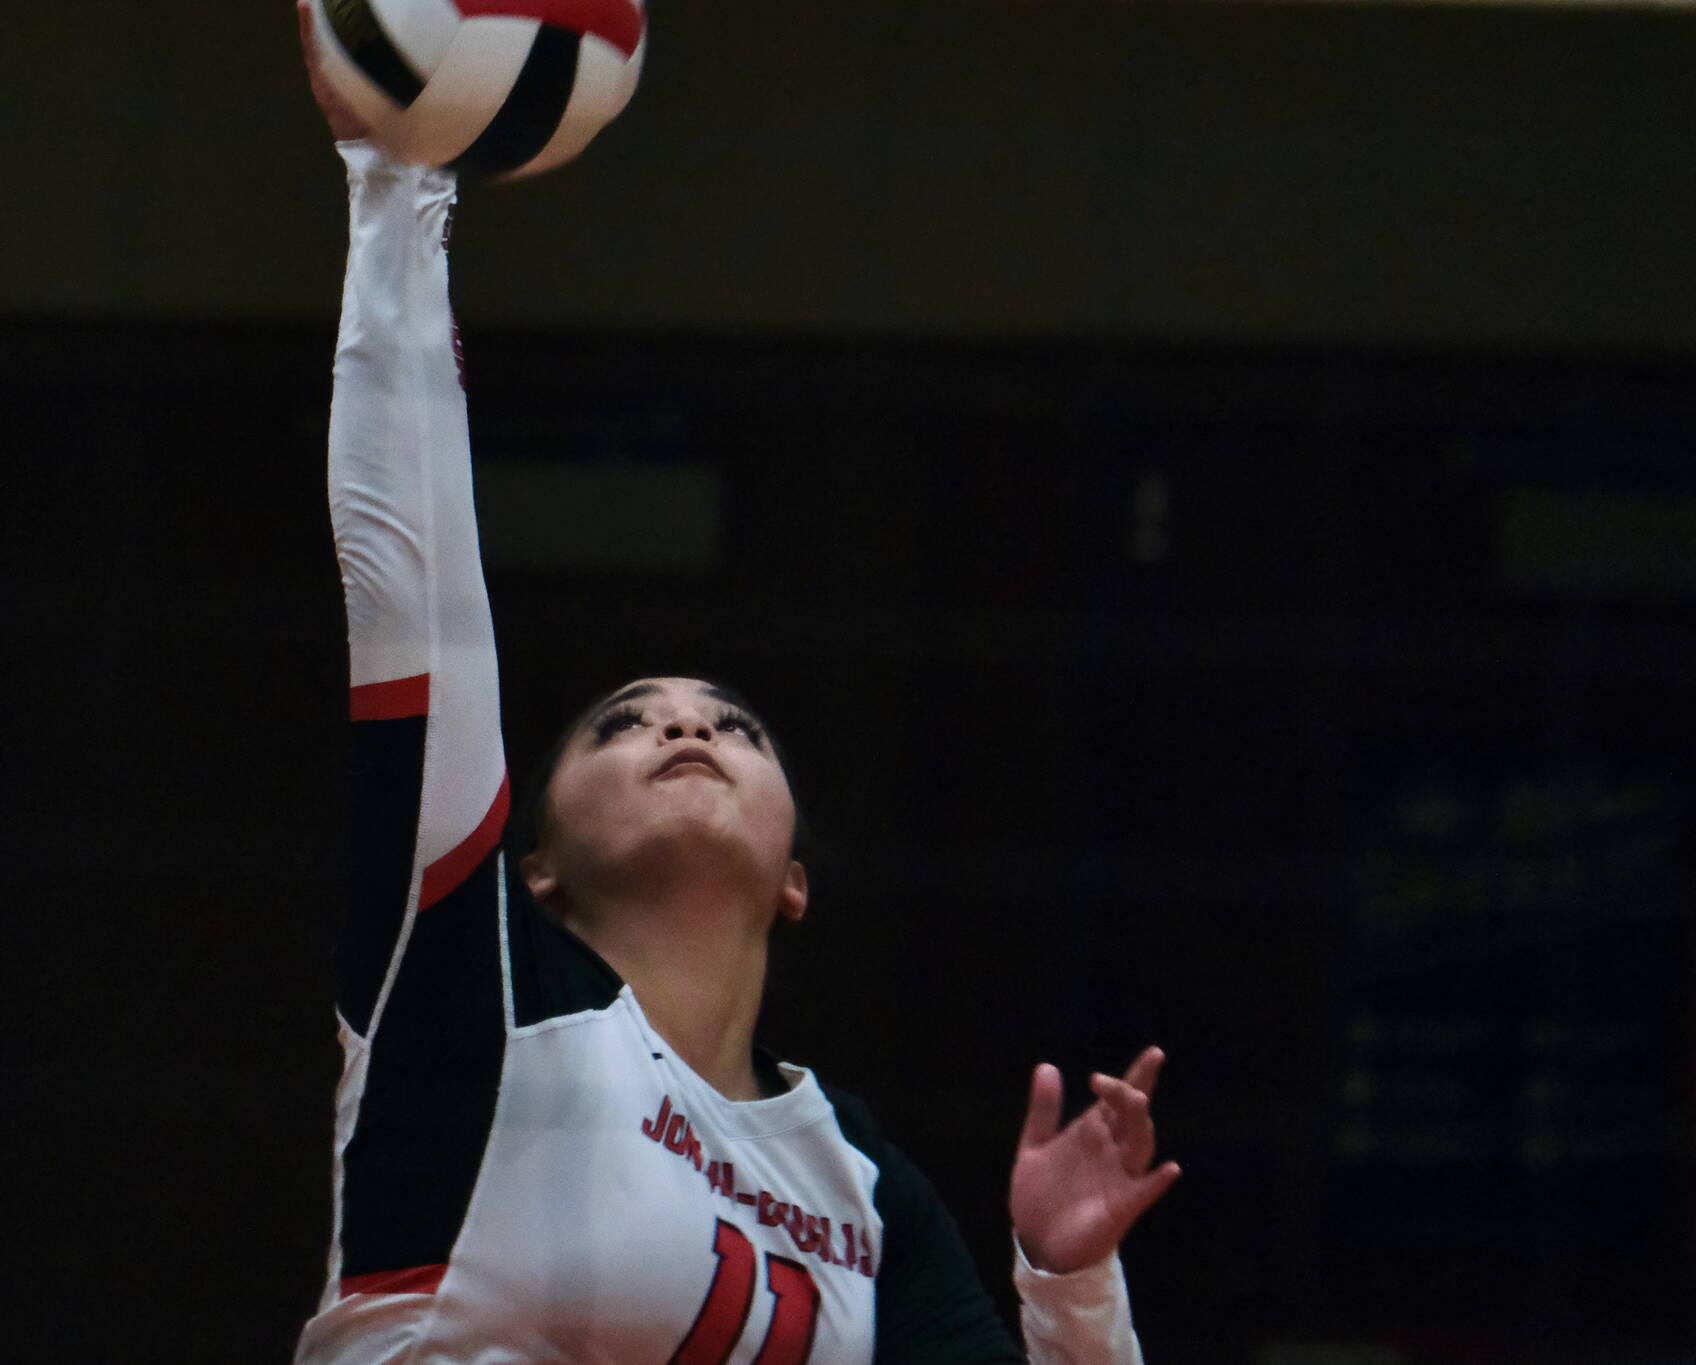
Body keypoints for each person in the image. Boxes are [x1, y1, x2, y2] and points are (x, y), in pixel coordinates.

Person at [292, 9, 1179, 1360]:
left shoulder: (858, 1179)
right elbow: (416, 600)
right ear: (535, 868)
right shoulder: (475, 994)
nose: (684, 723)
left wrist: (1070, 1288)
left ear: (796, 878)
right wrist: (396, 183)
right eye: (623, 720)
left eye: (732, 723)